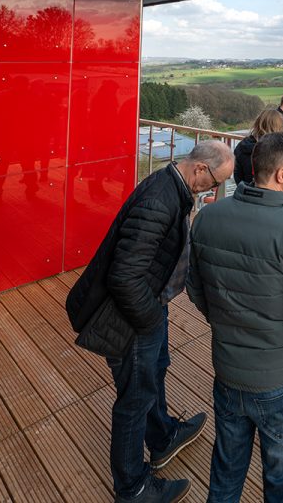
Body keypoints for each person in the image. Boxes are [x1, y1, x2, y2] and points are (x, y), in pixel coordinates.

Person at [66, 141, 235, 503]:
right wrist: (150, 319)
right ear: (200, 169)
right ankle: (132, 487)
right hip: (134, 316)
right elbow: (124, 277)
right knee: (135, 399)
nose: (215, 190)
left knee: (156, 370)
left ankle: (161, 438)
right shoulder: (161, 200)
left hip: (148, 305)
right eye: (215, 181)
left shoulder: (172, 186)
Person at [187, 132, 283, 503]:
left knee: (226, 468)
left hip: (228, 371)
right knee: (281, 478)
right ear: (282, 175)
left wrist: (226, 321)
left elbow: (195, 287)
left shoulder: (208, 217)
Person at [233, 108, 283, 185]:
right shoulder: (282, 149)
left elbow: (237, 175)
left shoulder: (242, 146)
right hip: (273, 194)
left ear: (258, 123)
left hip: (246, 191)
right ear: (280, 127)